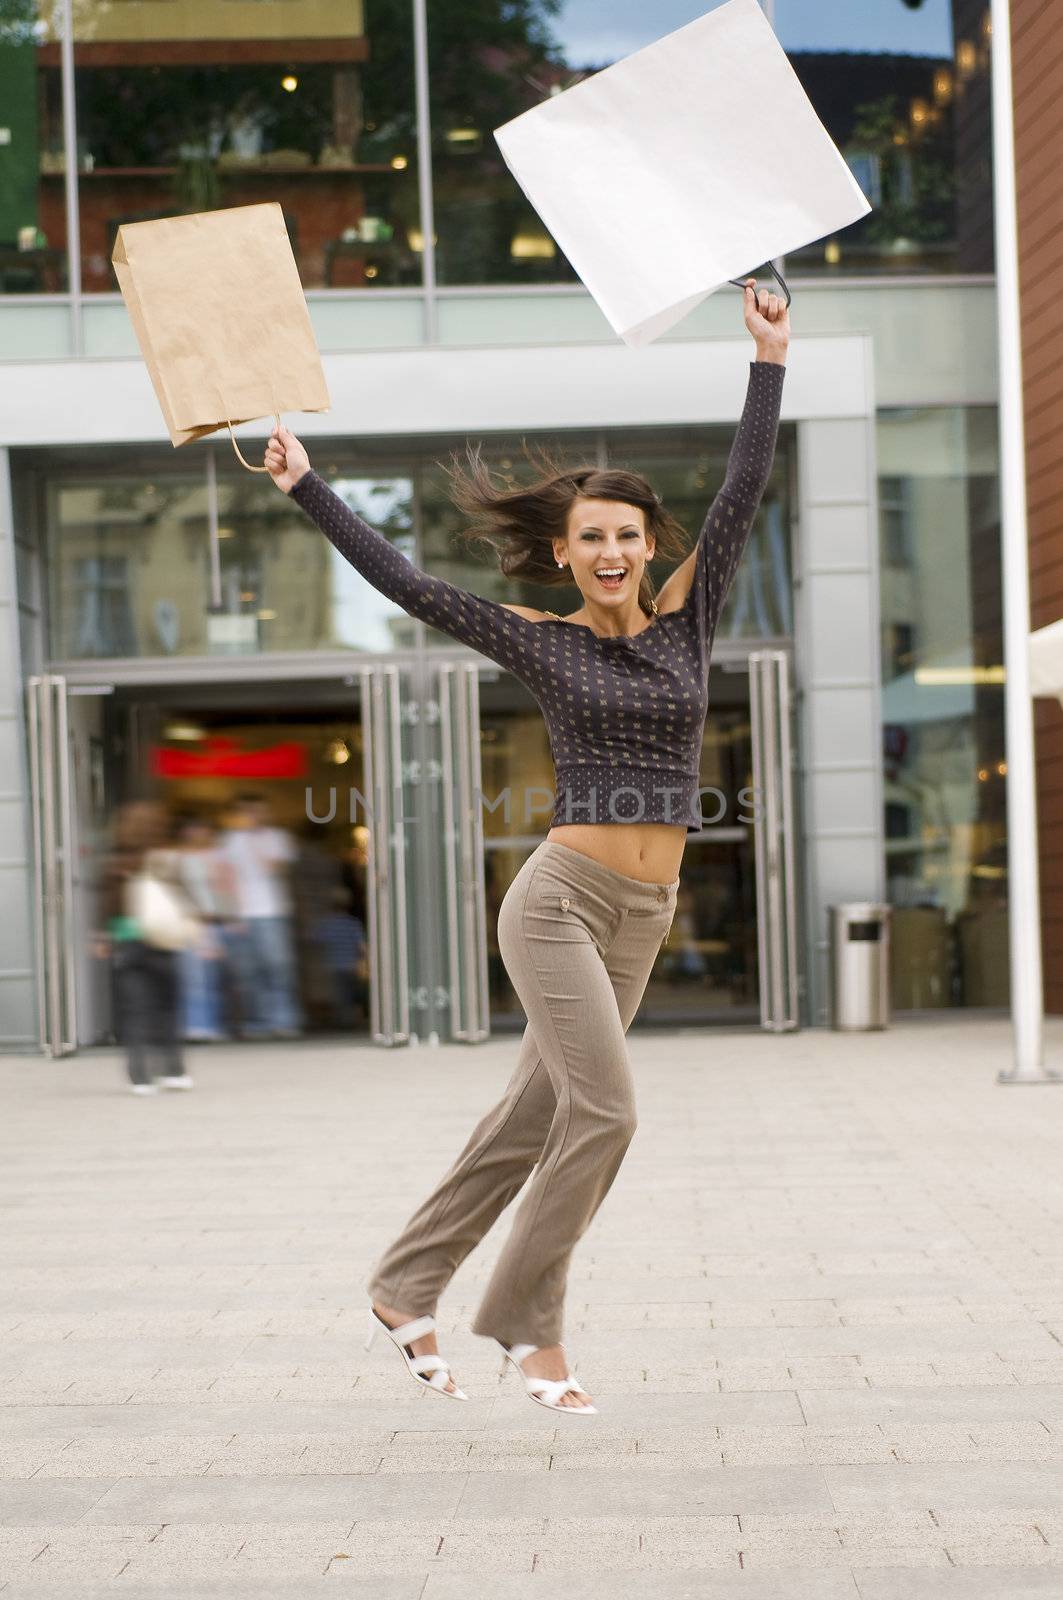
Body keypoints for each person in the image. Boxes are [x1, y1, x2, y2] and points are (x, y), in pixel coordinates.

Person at [265, 278, 789, 1413]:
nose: (610, 550)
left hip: (643, 918)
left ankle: (406, 1283)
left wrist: (766, 360)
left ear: (652, 546)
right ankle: (528, 1327)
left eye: (627, 535)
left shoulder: (687, 618)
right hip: (558, 902)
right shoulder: (540, 640)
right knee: (607, 1110)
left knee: (535, 1113)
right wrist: (309, 487)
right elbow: (404, 581)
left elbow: (743, 487)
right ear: (562, 554)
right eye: (590, 537)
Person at [94, 800, 195, 1093]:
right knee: (167, 1007)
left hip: (128, 940)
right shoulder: (166, 860)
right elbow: (184, 898)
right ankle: (172, 1070)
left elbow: (107, 907)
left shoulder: (115, 863)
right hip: (162, 940)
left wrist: (102, 937)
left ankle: (139, 1077)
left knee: (135, 1011)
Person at [217, 793, 303, 1040]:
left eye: (258, 811)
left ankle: (284, 1020)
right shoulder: (228, 840)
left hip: (272, 912)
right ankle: (257, 1022)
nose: (253, 817)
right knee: (247, 971)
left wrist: (255, 843)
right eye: (247, 812)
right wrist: (231, 913)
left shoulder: (278, 838)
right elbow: (224, 878)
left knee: (279, 966)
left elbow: (277, 868)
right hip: (241, 914)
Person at [174, 814, 230, 1042]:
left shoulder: (220, 856)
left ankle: (214, 1024)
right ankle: (196, 1025)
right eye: (193, 829)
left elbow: (228, 888)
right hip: (189, 923)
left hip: (216, 923)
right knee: (193, 979)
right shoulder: (176, 857)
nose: (198, 834)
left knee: (216, 978)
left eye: (202, 828)